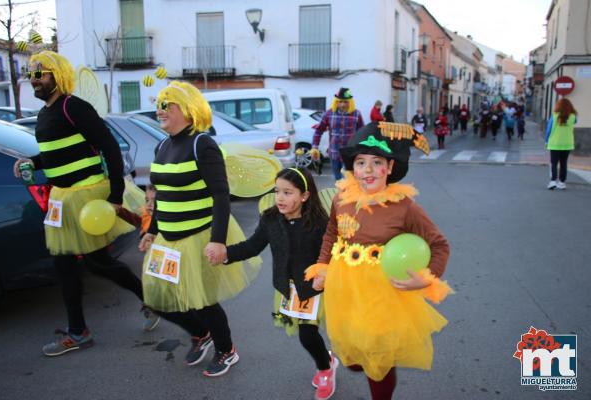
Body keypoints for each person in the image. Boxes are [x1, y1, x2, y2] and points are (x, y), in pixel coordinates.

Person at [12, 51, 159, 357]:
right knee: (66, 264)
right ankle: (79, 330)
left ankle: (144, 300)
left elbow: (108, 146)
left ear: (58, 75)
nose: (35, 80)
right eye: (32, 75)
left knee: (96, 263)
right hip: (62, 199)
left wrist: (116, 196)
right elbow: (56, 154)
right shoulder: (44, 113)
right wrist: (32, 162)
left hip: (88, 195)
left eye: (42, 74)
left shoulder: (72, 106)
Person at [305, 122, 450, 399]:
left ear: (390, 168)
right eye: (360, 162)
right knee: (354, 358)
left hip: (384, 293)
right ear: (352, 168)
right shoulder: (341, 199)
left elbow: (439, 245)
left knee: (379, 361)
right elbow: (331, 234)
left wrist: (427, 277)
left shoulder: (404, 207)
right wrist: (323, 266)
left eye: (376, 162)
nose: (367, 170)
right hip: (345, 290)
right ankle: (352, 362)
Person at [138, 81, 260, 377]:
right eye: (159, 104)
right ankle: (200, 334)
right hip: (167, 237)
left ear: (188, 109)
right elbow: (161, 195)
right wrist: (152, 230)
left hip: (198, 236)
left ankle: (226, 350)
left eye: (168, 105)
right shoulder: (162, 144)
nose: (160, 110)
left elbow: (221, 195)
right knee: (158, 296)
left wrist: (218, 241)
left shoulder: (201, 143)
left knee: (202, 299)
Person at [208, 167, 337, 400]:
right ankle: (327, 361)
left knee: (308, 335)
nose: (280, 198)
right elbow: (252, 246)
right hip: (288, 288)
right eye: (277, 191)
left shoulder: (320, 223)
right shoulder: (270, 218)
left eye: (288, 193)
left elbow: (333, 251)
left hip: (317, 287)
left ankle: (326, 369)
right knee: (305, 334)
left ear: (305, 196)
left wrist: (326, 272)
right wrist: (225, 254)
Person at [312, 87, 364, 181]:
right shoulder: (329, 114)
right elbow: (319, 130)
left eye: (345, 102)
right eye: (340, 102)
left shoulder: (356, 114)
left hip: (349, 153)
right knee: (338, 179)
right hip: (334, 152)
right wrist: (315, 146)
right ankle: (340, 194)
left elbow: (362, 133)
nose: (342, 104)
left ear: (350, 102)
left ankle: (348, 195)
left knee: (349, 180)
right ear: (336, 102)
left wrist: (362, 149)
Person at [545, 98, 577, 190]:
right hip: (567, 143)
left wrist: (546, 140)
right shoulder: (573, 116)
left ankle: (553, 181)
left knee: (553, 163)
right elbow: (575, 121)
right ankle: (562, 182)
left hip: (555, 143)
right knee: (564, 163)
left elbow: (549, 129)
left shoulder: (554, 116)